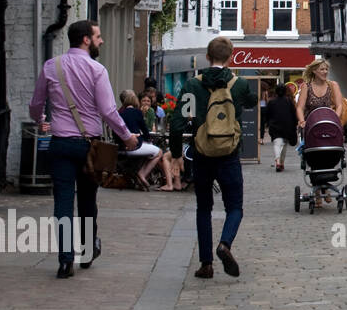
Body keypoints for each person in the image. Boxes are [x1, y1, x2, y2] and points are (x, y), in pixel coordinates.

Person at [29, 21, 140, 278]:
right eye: (98, 36)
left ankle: (65, 260)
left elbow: (36, 103)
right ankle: (88, 250)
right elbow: (108, 111)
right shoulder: (96, 70)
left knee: (63, 202)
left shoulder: (51, 66)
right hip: (89, 145)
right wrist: (127, 137)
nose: (101, 41)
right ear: (86, 40)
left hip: (59, 143)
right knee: (88, 199)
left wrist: (41, 119)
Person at [169, 36, 258, 280]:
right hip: (229, 153)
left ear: (207, 57)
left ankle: (206, 264)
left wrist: (176, 154)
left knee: (203, 208)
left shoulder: (192, 85)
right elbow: (251, 101)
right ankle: (225, 244)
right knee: (235, 206)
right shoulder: (238, 85)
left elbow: (177, 123)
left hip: (202, 153)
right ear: (231, 56)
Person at [118, 90, 173, 189]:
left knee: (148, 151)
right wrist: (147, 139)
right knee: (159, 152)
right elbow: (145, 131)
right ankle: (142, 174)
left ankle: (140, 177)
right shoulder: (137, 112)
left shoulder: (120, 113)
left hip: (121, 148)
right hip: (134, 147)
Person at [295, 58, 344, 132]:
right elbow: (300, 108)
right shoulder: (306, 86)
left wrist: (334, 120)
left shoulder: (333, 85)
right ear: (314, 71)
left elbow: (339, 106)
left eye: (326, 69)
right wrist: (302, 121)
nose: (325, 72)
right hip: (311, 126)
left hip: (329, 125)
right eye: (322, 69)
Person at [265, 83, 299, 171]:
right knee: (284, 145)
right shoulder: (289, 102)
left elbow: (267, 115)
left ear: (276, 91)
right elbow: (293, 115)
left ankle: (278, 162)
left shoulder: (271, 102)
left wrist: (268, 123)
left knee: (277, 143)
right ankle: (282, 163)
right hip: (287, 127)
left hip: (275, 126)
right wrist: (295, 125)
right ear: (285, 91)